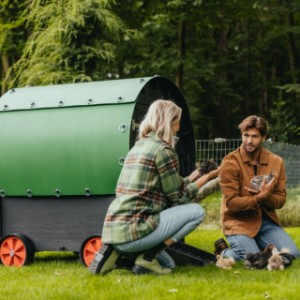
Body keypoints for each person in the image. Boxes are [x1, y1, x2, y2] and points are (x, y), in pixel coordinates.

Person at [88, 99, 219, 275]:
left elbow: (174, 184)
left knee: (169, 266)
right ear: (169, 121)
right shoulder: (164, 151)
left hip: (114, 229)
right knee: (196, 212)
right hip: (136, 228)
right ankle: (147, 255)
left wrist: (197, 174)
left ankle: (121, 255)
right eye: (178, 121)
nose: (179, 127)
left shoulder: (139, 146)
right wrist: (210, 176)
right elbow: (179, 197)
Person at [215, 115, 299, 262]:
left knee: (292, 254)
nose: (249, 141)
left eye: (254, 136)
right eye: (246, 135)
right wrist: (258, 198)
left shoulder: (276, 162)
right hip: (238, 222)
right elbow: (232, 203)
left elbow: (280, 200)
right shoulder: (229, 162)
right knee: (254, 259)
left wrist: (267, 197)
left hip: (266, 222)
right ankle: (223, 251)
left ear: (264, 138)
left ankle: (261, 249)